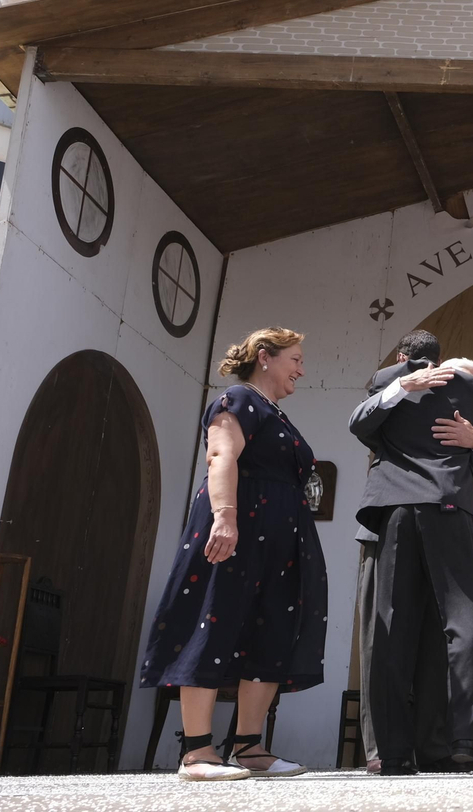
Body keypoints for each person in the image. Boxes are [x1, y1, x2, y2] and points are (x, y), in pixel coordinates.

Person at [140, 327, 326, 781]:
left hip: (280, 537)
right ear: (265, 356)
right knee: (213, 618)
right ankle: (197, 752)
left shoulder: (276, 413)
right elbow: (221, 457)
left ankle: (248, 747)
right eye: (295, 358)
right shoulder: (238, 399)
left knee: (273, 628)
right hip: (238, 527)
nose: (302, 368)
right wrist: (225, 517)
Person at [350, 330, 473, 776]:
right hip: (445, 506)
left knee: (391, 632)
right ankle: (466, 741)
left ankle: (398, 753)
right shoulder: (464, 387)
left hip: (396, 512)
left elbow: (359, 424)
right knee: (462, 625)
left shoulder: (387, 381)